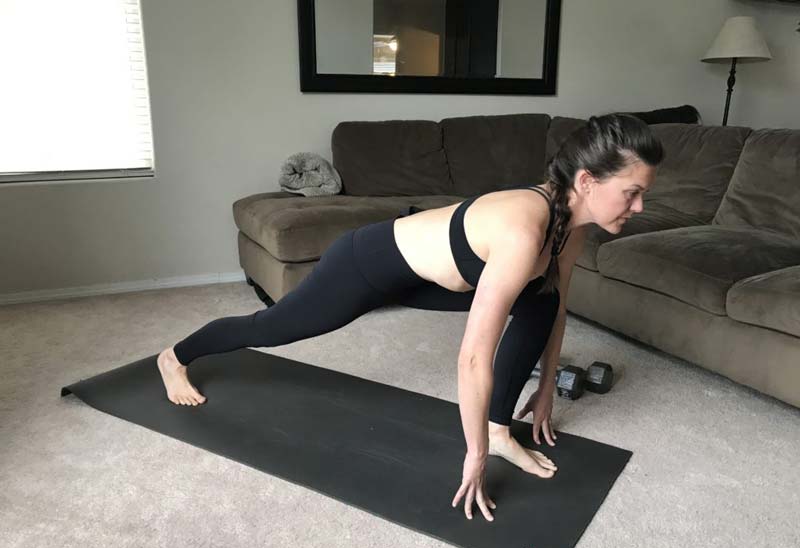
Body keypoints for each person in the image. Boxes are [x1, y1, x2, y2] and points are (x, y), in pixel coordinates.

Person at [156, 113, 664, 522]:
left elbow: (557, 307)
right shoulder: (522, 228)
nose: (639, 206)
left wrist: (548, 384)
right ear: (586, 180)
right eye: (632, 192)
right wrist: (473, 456)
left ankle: (499, 427)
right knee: (273, 328)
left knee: (542, 296)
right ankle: (175, 356)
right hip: (368, 264)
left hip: (433, 278)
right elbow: (471, 358)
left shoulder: (571, 227)